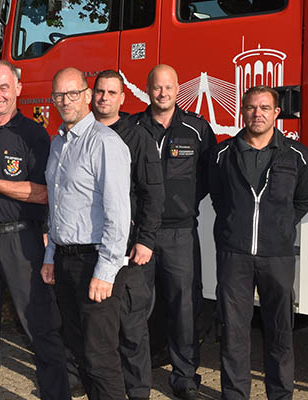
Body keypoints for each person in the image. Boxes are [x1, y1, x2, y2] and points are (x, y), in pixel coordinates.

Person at [0, 60, 70, 400]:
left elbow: (43, 192)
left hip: (21, 239)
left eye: (4, 87)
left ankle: (56, 393)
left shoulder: (33, 135)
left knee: (39, 324)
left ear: (18, 89)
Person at [208, 85, 308, 399]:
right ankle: (235, 394)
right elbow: (219, 198)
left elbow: (302, 200)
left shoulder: (297, 156)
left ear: (277, 113)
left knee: (279, 333)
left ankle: (280, 394)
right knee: (234, 334)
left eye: (265, 107)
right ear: (242, 110)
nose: (257, 114)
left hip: (276, 257)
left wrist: (278, 227)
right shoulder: (223, 154)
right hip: (234, 256)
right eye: (251, 107)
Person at [41, 67, 131, 400]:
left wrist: (105, 272)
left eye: (73, 93)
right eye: (59, 95)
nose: (65, 101)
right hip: (65, 262)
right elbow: (57, 207)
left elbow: (119, 214)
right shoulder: (58, 144)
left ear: (88, 96)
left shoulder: (105, 143)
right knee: (79, 352)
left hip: (96, 263)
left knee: (100, 357)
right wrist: (51, 256)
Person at [132, 64, 216, 399]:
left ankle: (184, 378)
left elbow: (209, 175)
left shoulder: (197, 129)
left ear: (178, 88)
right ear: (148, 89)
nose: (162, 93)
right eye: (156, 87)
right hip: (140, 234)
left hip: (181, 233)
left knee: (184, 307)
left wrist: (183, 202)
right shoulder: (132, 127)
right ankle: (135, 378)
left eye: (168, 87)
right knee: (136, 309)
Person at [92, 70, 164, 400]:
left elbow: (153, 193)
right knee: (94, 327)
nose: (104, 97)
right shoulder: (81, 133)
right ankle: (96, 384)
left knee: (132, 327)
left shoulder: (137, 137)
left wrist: (146, 239)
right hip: (89, 248)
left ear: (123, 98)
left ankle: (137, 392)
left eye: (111, 92)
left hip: (128, 252)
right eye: (100, 91)